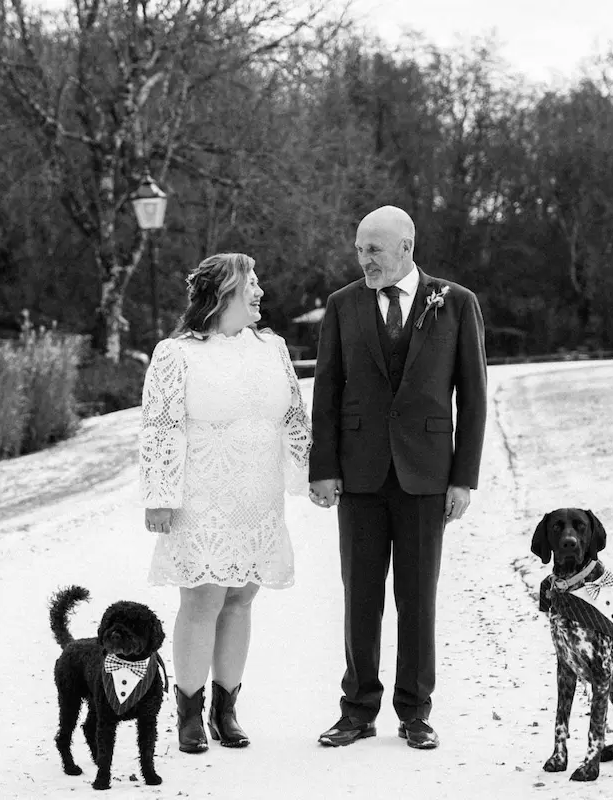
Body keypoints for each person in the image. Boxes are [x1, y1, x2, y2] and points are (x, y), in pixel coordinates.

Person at [309, 205, 488, 750]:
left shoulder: (456, 303)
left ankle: (415, 712)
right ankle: (357, 710)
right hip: (359, 477)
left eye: (374, 250)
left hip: (426, 475)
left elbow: (474, 398)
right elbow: (327, 393)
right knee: (359, 596)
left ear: (407, 247)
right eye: (360, 249)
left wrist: (464, 479)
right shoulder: (342, 306)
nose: (365, 260)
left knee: (417, 598)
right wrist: (324, 468)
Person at [139, 252, 311, 754]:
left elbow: (295, 419)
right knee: (204, 598)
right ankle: (188, 714)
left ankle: (226, 709)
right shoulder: (177, 354)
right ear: (222, 295)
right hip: (202, 498)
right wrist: (159, 495)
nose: (260, 292)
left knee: (242, 597)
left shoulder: (273, 347)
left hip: (258, 498)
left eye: (259, 281)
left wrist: (312, 479)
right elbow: (160, 426)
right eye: (250, 284)